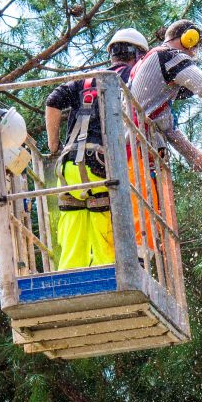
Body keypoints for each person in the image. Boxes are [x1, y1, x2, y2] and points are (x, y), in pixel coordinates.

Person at [45, 28, 149, 270]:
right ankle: (112, 277)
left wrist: (54, 146)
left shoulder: (85, 79)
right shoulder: (133, 78)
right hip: (101, 165)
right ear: (138, 55)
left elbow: (52, 101)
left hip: (69, 166)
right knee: (105, 230)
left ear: (112, 53)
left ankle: (69, 279)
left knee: (72, 229)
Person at [126, 19, 202, 245]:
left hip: (138, 152)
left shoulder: (154, 65)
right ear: (188, 39)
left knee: (148, 226)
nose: (194, 55)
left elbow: (168, 129)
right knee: (145, 229)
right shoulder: (169, 56)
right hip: (140, 153)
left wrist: (199, 159)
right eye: (195, 46)